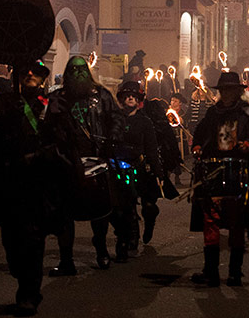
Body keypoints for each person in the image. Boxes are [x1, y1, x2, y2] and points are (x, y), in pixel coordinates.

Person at [0, 61, 65, 316]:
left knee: (34, 240)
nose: (30, 75)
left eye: (36, 73)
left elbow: (63, 141)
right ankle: (22, 275)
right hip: (9, 181)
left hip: (39, 184)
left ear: (42, 79)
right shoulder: (4, 103)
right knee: (11, 241)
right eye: (26, 71)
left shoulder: (53, 106)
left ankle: (28, 295)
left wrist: (41, 156)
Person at [43, 56, 125, 275]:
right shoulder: (57, 99)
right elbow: (47, 127)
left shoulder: (103, 96)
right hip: (66, 162)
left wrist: (112, 138)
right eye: (74, 70)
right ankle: (66, 260)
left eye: (82, 70)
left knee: (99, 210)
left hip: (96, 158)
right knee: (64, 214)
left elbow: (117, 118)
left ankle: (101, 250)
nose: (78, 74)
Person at [190, 72, 249, 287]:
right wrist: (197, 147)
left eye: (231, 90)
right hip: (213, 174)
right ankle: (211, 272)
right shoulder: (212, 115)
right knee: (211, 221)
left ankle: (235, 272)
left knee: (237, 223)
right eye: (224, 90)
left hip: (239, 174)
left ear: (238, 91)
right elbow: (200, 136)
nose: (227, 93)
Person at [116, 81, 166, 249]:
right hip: (121, 167)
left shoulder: (145, 122)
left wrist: (159, 173)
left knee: (149, 206)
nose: (130, 98)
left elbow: (152, 148)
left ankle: (149, 222)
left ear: (139, 100)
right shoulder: (115, 121)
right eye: (127, 95)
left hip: (142, 166)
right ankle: (132, 237)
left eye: (134, 96)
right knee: (126, 205)